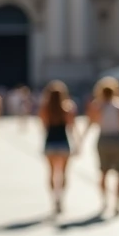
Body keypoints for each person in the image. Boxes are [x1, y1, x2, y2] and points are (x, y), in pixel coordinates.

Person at [80, 77, 119, 216]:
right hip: (116, 139)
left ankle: (105, 201)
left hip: (103, 139)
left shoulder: (97, 105)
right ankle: (117, 203)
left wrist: (81, 141)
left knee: (103, 173)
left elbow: (90, 123)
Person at [39, 81, 76, 216]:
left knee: (51, 172)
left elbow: (43, 126)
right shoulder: (67, 107)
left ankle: (54, 199)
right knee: (64, 173)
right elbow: (71, 127)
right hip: (63, 142)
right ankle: (61, 198)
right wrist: (77, 143)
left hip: (50, 142)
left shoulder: (45, 108)